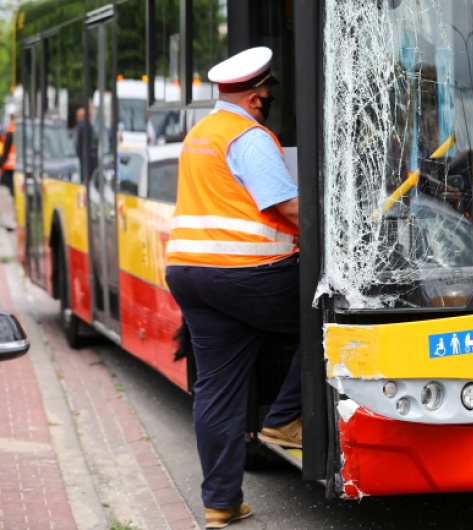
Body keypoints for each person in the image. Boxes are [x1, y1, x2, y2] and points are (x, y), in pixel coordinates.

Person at [165, 47, 300, 529]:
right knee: (332, 316)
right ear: (256, 94)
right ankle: (284, 418)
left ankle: (221, 504)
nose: (266, 99)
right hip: (247, 276)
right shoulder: (250, 136)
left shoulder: (199, 135)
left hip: (190, 276)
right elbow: (288, 209)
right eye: (265, 91)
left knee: (216, 390)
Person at [0, 114, 17, 231]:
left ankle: (10, 222)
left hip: (9, 167)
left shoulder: (10, 133)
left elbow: (6, 153)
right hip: (16, 167)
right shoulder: (19, 132)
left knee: (10, 195)